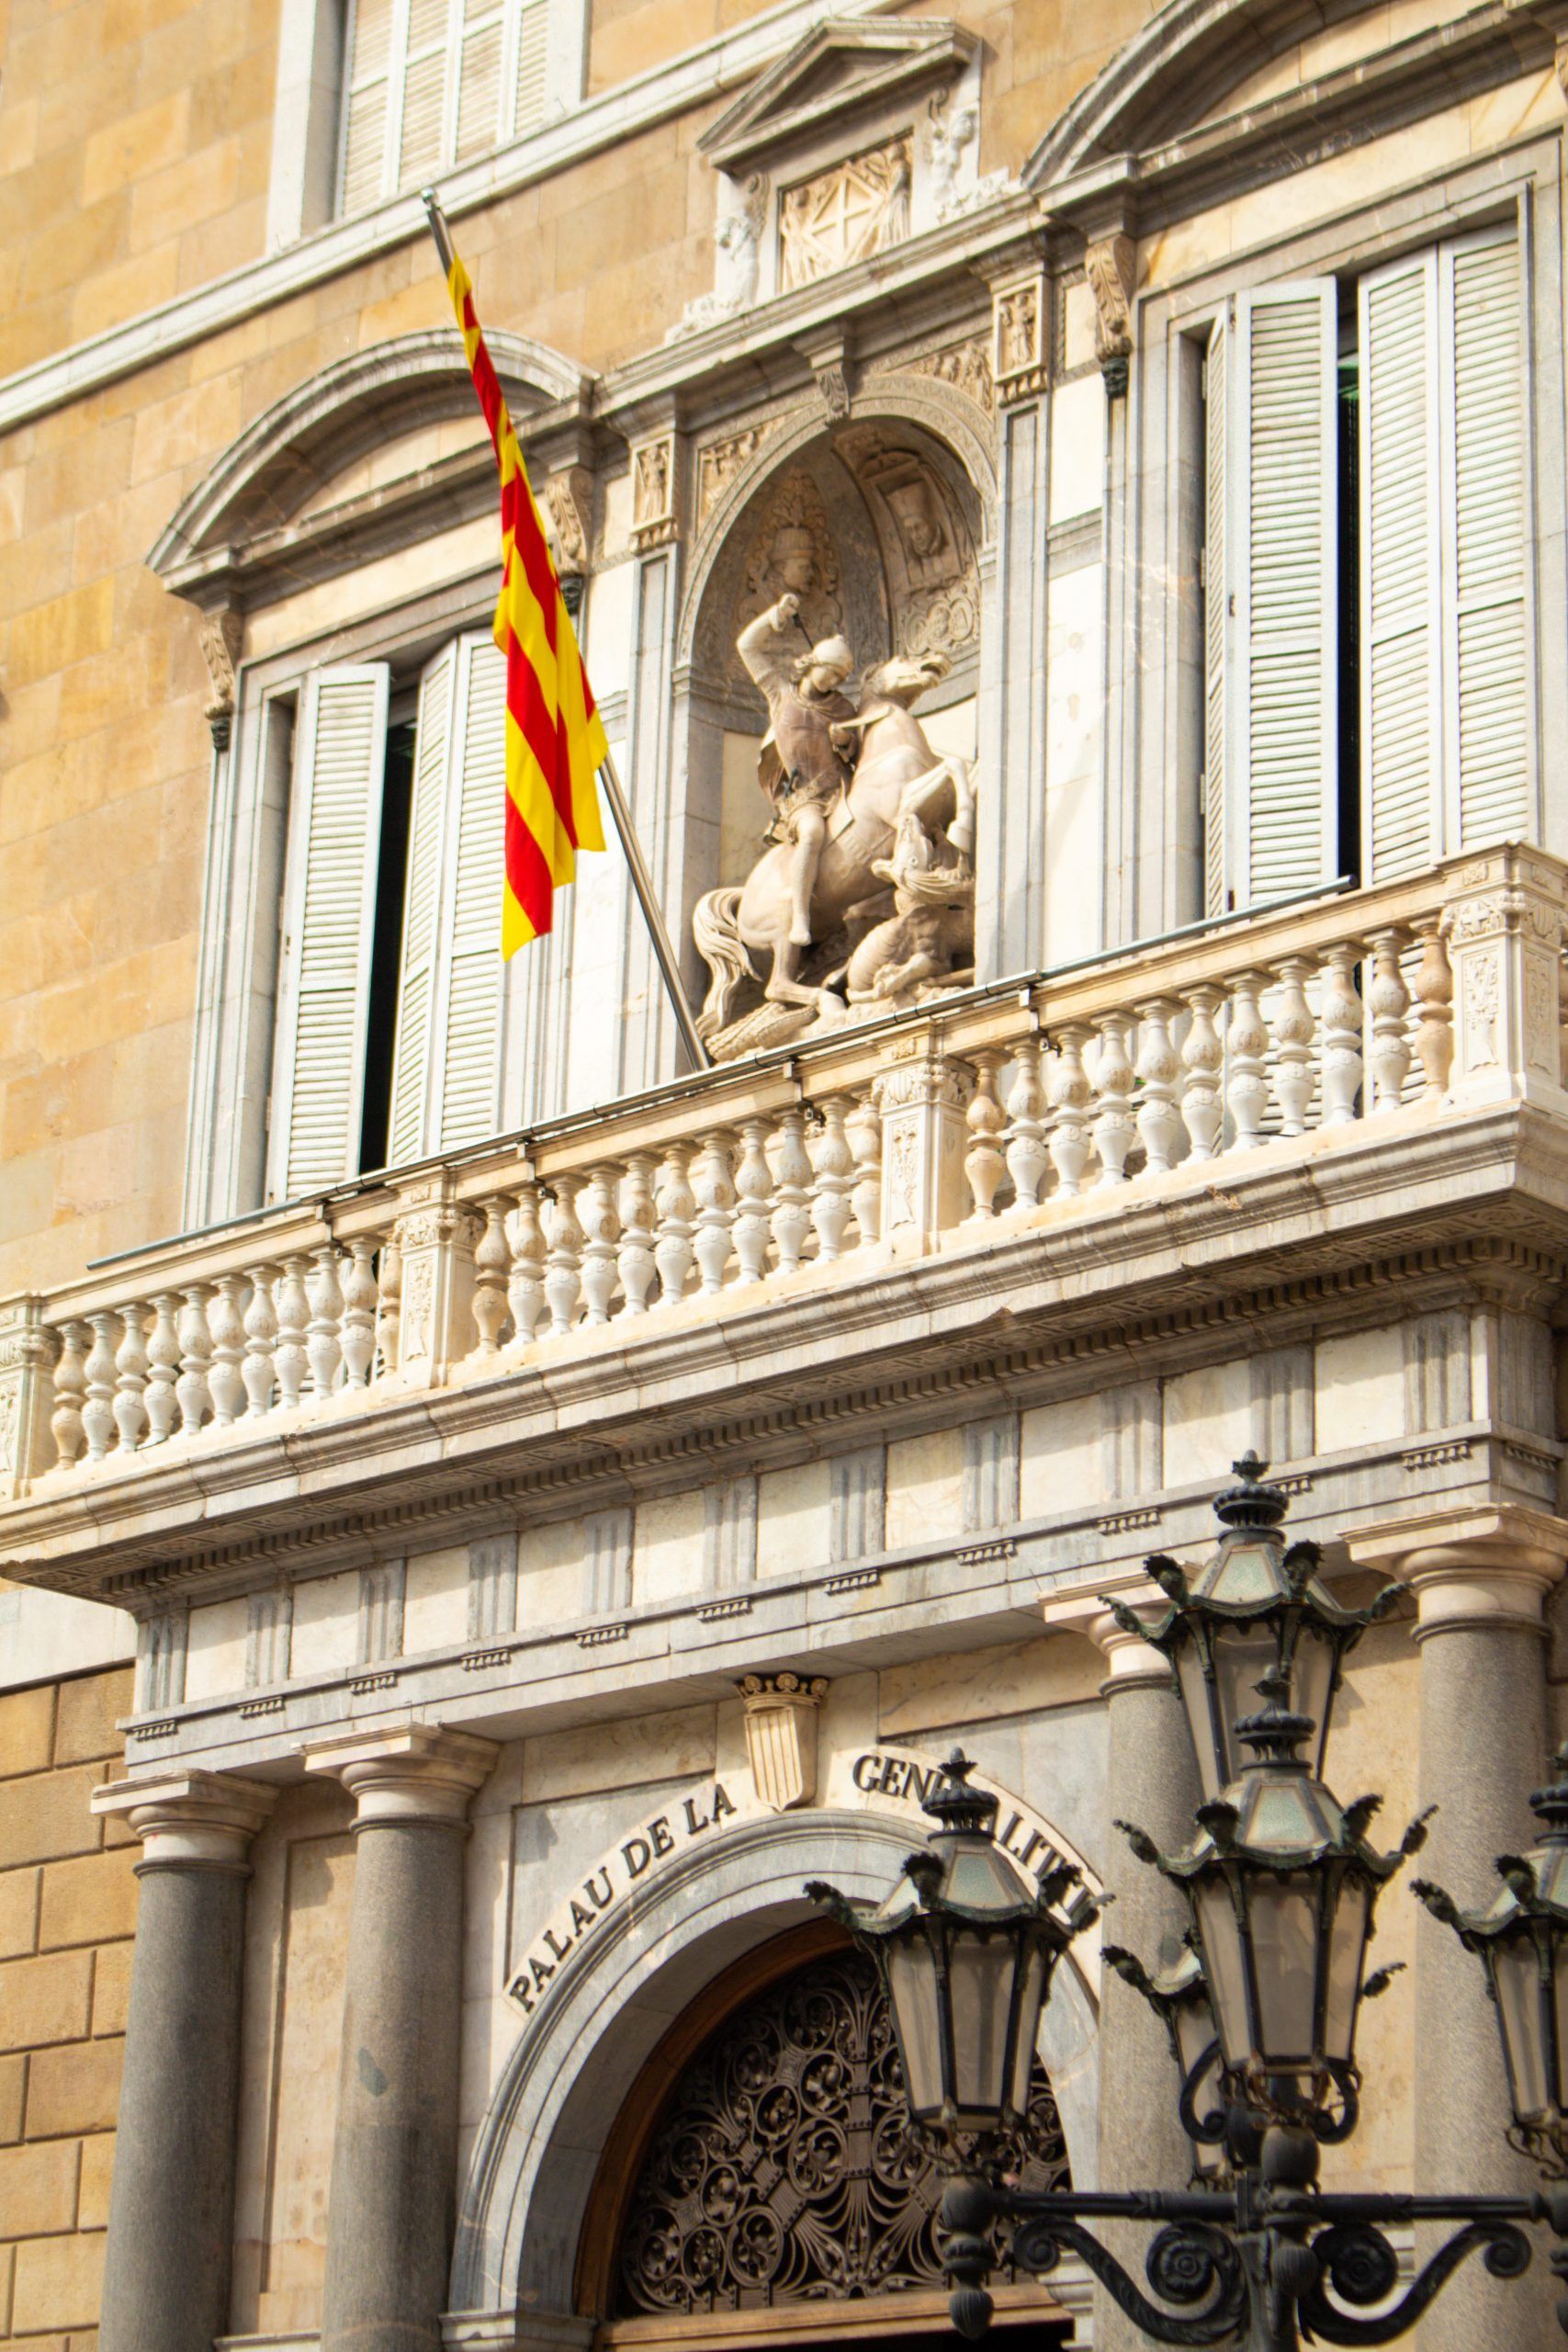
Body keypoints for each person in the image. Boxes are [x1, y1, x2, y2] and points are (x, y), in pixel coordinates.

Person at [736, 593, 857, 949]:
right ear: (813, 662)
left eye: (840, 676)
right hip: (805, 799)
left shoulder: (843, 707)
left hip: (844, 789)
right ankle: (800, 914)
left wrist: (846, 740)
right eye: (831, 671)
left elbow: (858, 750)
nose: (833, 680)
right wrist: (776, 616)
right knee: (812, 833)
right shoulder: (781, 695)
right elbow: (747, 647)